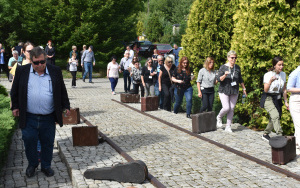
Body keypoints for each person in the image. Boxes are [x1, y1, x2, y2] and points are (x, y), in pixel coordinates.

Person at [10, 47, 70, 178]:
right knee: (29, 140)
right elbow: (14, 91)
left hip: (48, 116)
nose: (39, 65)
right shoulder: (22, 71)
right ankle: (32, 164)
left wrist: (66, 106)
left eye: (42, 62)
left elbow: (62, 90)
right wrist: (14, 106)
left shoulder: (55, 71)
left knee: (47, 142)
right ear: (31, 61)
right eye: (36, 62)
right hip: (29, 115)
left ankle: (46, 166)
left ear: (46, 59)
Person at [216, 50, 247, 132]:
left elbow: (240, 79)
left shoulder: (237, 67)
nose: (234, 59)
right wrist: (225, 75)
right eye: (232, 57)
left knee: (232, 108)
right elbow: (219, 79)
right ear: (228, 58)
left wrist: (244, 89)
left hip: (234, 89)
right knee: (226, 108)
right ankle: (219, 117)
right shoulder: (223, 67)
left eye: (235, 58)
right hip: (224, 89)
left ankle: (228, 126)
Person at [260, 56, 288, 141]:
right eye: (279, 65)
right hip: (268, 97)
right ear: (274, 65)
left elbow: (284, 89)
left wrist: (286, 101)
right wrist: (270, 81)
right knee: (275, 116)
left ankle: (265, 134)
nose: (281, 67)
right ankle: (280, 135)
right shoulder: (268, 75)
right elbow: (265, 90)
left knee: (276, 116)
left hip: (277, 98)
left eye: (282, 65)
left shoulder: (283, 74)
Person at [287, 62, 300, 147]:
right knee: (299, 123)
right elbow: (289, 88)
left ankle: (296, 145)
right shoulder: (295, 73)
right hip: (296, 100)